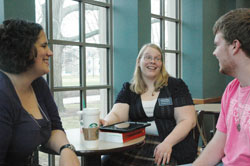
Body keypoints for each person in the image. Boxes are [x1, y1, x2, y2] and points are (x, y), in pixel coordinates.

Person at [101, 43, 197, 166]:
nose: (153, 61)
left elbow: (188, 120)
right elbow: (117, 114)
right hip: (137, 143)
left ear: (161, 64)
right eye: (148, 57)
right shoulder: (129, 89)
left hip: (170, 144)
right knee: (106, 162)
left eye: (157, 58)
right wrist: (106, 122)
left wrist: (168, 143)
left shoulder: (175, 85)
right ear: (138, 61)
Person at [0, 19, 80, 166]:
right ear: (23, 49)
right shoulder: (3, 96)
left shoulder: (38, 84)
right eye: (44, 46)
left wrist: (66, 149)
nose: (50, 52)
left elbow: (55, 127)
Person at [193, 8, 250, 166]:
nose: (214, 53)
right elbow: (217, 145)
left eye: (217, 45)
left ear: (235, 46)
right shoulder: (232, 89)